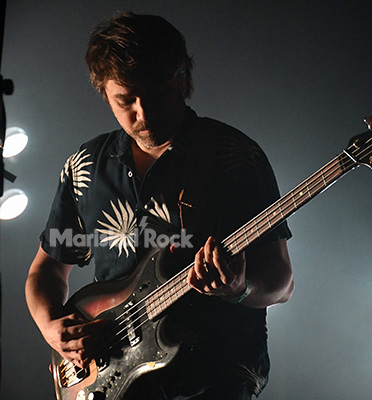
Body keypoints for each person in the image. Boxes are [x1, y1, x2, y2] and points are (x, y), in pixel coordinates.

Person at [25, 12, 294, 400]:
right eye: (126, 100)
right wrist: (51, 325)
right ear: (104, 93)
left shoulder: (235, 157)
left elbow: (281, 280)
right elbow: (47, 268)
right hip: (115, 383)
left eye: (155, 95)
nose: (143, 114)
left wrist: (239, 288)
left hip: (214, 377)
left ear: (182, 78)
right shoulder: (85, 166)